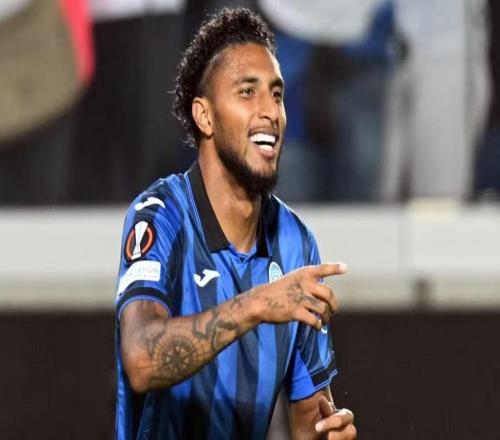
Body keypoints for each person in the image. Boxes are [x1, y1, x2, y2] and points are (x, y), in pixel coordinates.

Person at [115, 7, 356, 439]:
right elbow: (140, 359)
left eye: (277, 94)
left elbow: (310, 419)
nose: (270, 111)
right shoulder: (161, 215)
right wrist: (257, 304)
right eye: (247, 92)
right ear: (205, 116)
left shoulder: (296, 243)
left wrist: (328, 432)